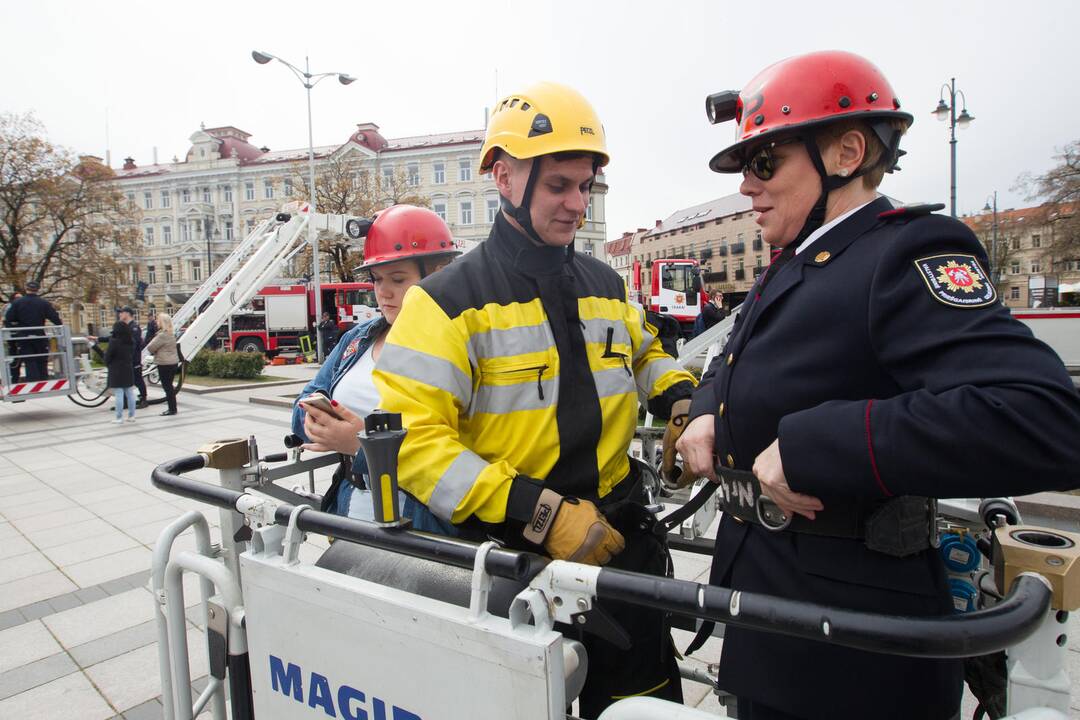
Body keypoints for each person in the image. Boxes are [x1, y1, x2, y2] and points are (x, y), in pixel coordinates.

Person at [675, 50, 1080, 720]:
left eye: (765, 161)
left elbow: (1042, 416)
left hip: (854, 658)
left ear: (846, 152)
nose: (747, 185)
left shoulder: (905, 253)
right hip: (774, 623)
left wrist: (815, 445)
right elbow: (737, 351)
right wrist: (706, 407)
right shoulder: (794, 261)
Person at [373, 82, 697, 718]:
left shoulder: (606, 283)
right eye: (559, 187)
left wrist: (680, 399)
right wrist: (541, 513)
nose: (577, 204)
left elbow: (646, 353)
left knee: (641, 705)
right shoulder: (443, 303)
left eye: (586, 187)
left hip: (616, 545)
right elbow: (415, 443)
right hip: (508, 563)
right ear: (504, 177)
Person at [292, 204, 460, 532]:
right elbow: (305, 403)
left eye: (398, 279)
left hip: (422, 524)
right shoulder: (358, 339)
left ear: (439, 275)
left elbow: (458, 449)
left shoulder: (458, 343)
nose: (383, 292)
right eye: (377, 279)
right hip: (351, 513)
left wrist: (359, 443)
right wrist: (318, 424)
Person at [4, 281, 62, 381]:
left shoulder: (17, 303)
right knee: (42, 358)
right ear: (37, 290)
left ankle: (32, 381)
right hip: (40, 335)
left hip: (24, 336)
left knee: (29, 360)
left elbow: (9, 318)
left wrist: (18, 326)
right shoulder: (44, 303)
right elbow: (55, 318)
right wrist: (60, 326)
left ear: (26, 289)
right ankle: (43, 380)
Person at [93, 321, 137, 424]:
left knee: (119, 394)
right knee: (130, 393)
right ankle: (132, 416)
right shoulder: (131, 341)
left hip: (116, 370)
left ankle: (119, 417)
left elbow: (107, 357)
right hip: (128, 369)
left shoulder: (114, 342)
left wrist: (97, 349)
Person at [145, 313, 179, 416]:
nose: (156, 322)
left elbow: (150, 347)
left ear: (162, 322)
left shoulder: (162, 335)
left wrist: (156, 351)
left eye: (158, 320)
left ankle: (172, 409)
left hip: (164, 363)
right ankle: (173, 408)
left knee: (167, 387)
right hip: (173, 362)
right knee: (170, 386)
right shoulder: (171, 333)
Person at [118, 306, 148, 409]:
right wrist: (98, 339)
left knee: (138, 380)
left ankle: (144, 400)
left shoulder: (134, 327)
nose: (120, 315)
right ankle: (125, 402)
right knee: (125, 381)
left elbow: (133, 345)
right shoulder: (125, 327)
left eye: (121, 313)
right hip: (126, 360)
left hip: (133, 360)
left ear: (127, 314)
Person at [2, 291, 23, 382]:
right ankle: (14, 378)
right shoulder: (9, 307)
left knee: (17, 358)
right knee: (15, 358)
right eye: (17, 298)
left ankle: (14, 377)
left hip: (17, 335)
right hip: (14, 336)